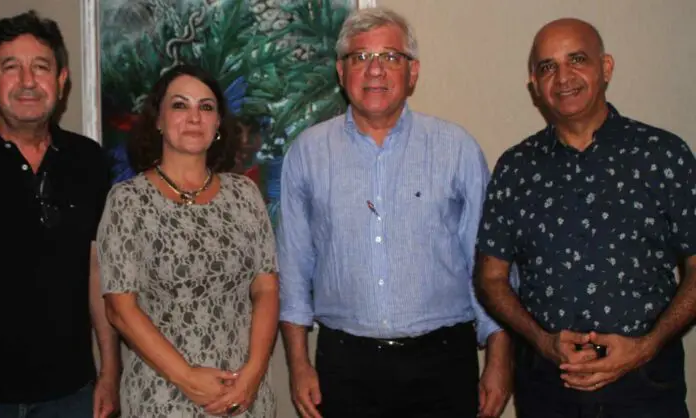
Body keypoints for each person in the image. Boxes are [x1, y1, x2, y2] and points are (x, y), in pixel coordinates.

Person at [278, 7, 512, 418]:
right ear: (341, 71)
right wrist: (298, 364)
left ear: (412, 71)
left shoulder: (456, 149)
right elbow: (294, 271)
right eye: (360, 57)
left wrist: (499, 359)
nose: (375, 70)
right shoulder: (307, 154)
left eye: (390, 56)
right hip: (345, 365)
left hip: (444, 361)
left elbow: (490, 267)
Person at [475, 17, 696, 418]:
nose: (563, 77)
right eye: (548, 67)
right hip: (547, 388)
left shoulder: (664, 156)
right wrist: (541, 340)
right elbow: (491, 278)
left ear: (605, 67)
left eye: (577, 59)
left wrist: (646, 345)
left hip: (646, 387)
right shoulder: (516, 168)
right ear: (535, 84)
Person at [0, 10, 120, 418]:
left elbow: (97, 272)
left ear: (62, 80)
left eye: (41, 67)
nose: (28, 81)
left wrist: (109, 372)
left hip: (69, 395)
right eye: (11, 67)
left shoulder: (88, 161)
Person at [97, 64, 279, 418]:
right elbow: (120, 309)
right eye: (180, 105)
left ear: (218, 124)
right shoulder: (127, 201)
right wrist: (188, 378)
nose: (194, 117)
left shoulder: (245, 194)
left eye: (206, 107)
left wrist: (254, 374)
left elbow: (266, 288)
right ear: (158, 120)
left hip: (243, 394)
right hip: (162, 396)